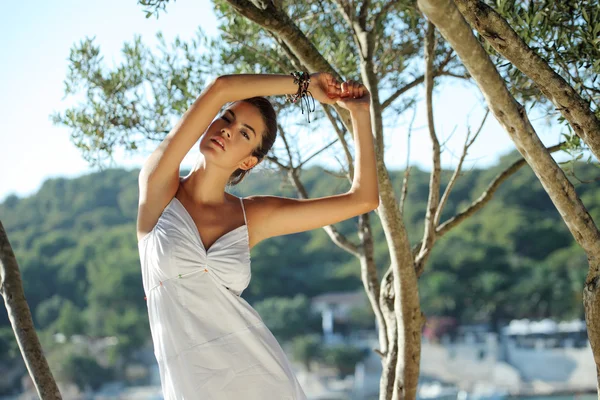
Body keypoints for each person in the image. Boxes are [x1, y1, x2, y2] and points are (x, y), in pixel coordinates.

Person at [136, 72, 379, 399]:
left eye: (244, 133)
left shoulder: (252, 216)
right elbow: (222, 87)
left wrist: (360, 114)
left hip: (262, 381)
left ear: (249, 160)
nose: (226, 130)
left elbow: (363, 199)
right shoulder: (159, 192)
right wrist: (307, 85)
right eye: (226, 117)